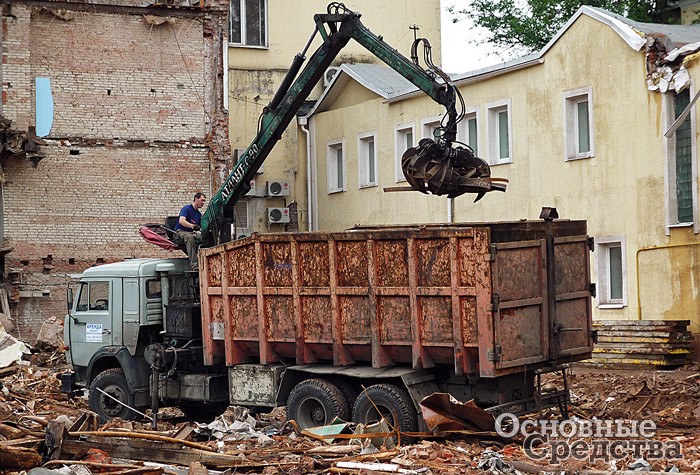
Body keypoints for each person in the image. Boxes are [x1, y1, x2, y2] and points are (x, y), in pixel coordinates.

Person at [173, 192, 206, 271]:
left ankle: (204, 261)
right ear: (196, 199)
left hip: (191, 233)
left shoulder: (198, 214)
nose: (203, 203)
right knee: (190, 237)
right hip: (179, 233)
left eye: (204, 201)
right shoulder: (186, 209)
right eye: (202, 200)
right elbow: (181, 221)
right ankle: (194, 265)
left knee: (205, 238)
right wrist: (192, 226)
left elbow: (201, 226)